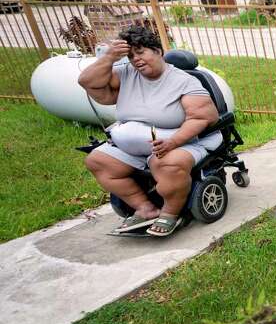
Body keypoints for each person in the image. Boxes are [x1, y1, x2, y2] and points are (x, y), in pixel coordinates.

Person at [78, 26, 219, 237]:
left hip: (179, 141)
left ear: (158, 51)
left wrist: (173, 142)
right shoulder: (126, 74)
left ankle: (171, 212)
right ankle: (146, 208)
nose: (136, 60)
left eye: (141, 52)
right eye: (131, 56)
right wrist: (108, 58)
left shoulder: (184, 81)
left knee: (167, 164)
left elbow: (202, 118)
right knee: (97, 161)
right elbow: (86, 82)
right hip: (134, 146)